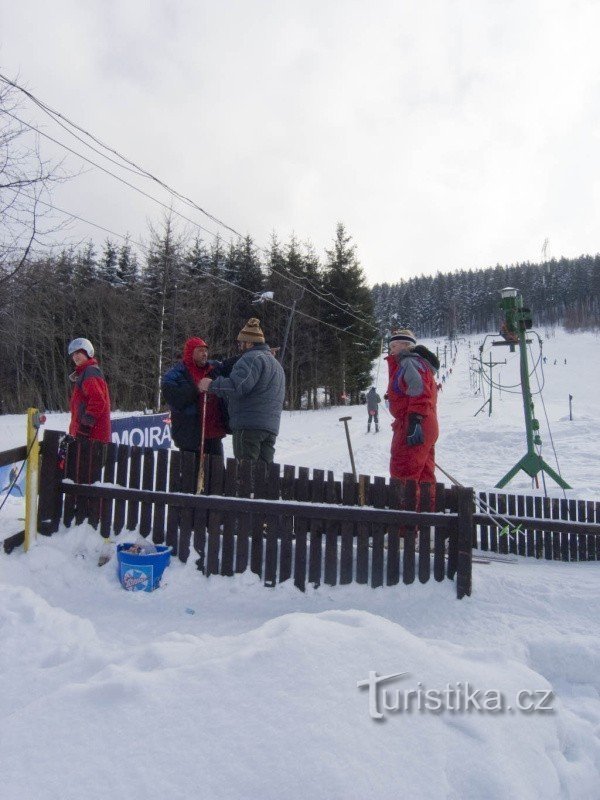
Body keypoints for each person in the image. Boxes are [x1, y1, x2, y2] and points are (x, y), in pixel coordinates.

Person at [199, 318, 285, 464]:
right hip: (270, 427)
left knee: (246, 474)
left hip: (249, 427)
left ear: (249, 343)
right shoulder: (275, 364)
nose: (239, 347)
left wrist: (211, 385)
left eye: (241, 343)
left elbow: (237, 387)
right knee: (263, 475)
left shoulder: (250, 358)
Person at [385, 329, 439, 505]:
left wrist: (415, 420)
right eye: (390, 346)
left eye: (395, 345)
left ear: (407, 346)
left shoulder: (409, 362)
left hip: (414, 423)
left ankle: (405, 525)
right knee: (424, 472)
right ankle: (426, 515)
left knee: (404, 472)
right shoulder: (420, 364)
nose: (391, 350)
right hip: (427, 423)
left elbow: (420, 391)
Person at [161, 337, 228, 458]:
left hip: (213, 434)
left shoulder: (213, 368)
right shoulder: (175, 374)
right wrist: (196, 389)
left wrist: (259, 353)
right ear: (190, 353)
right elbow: (174, 399)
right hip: (189, 435)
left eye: (206, 351)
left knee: (217, 474)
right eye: (200, 351)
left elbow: (230, 364)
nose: (205, 354)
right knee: (190, 473)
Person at [67, 337, 111, 443]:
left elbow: (98, 400)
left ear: (87, 353)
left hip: (92, 436)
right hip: (86, 435)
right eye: (73, 354)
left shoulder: (90, 372)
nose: (75, 356)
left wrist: (85, 427)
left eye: (78, 353)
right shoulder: (84, 373)